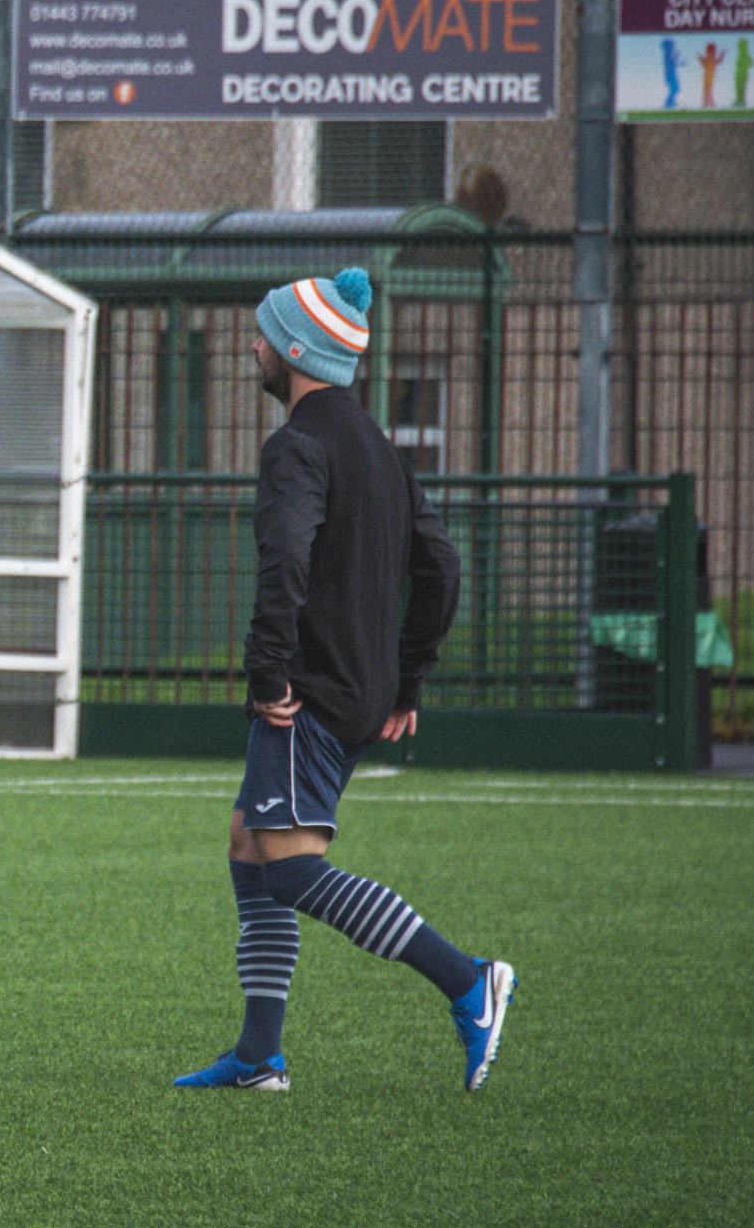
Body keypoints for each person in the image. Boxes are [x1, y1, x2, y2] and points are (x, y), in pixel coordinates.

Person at [175, 268, 510, 1094]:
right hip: (359, 688)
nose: (253, 345)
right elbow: (442, 565)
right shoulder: (379, 448)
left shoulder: (297, 445)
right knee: (250, 842)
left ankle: (469, 980)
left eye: (263, 334)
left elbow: (285, 559)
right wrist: (406, 679)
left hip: (309, 690)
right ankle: (259, 1057)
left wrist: (268, 672)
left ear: (293, 350)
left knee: (290, 868)